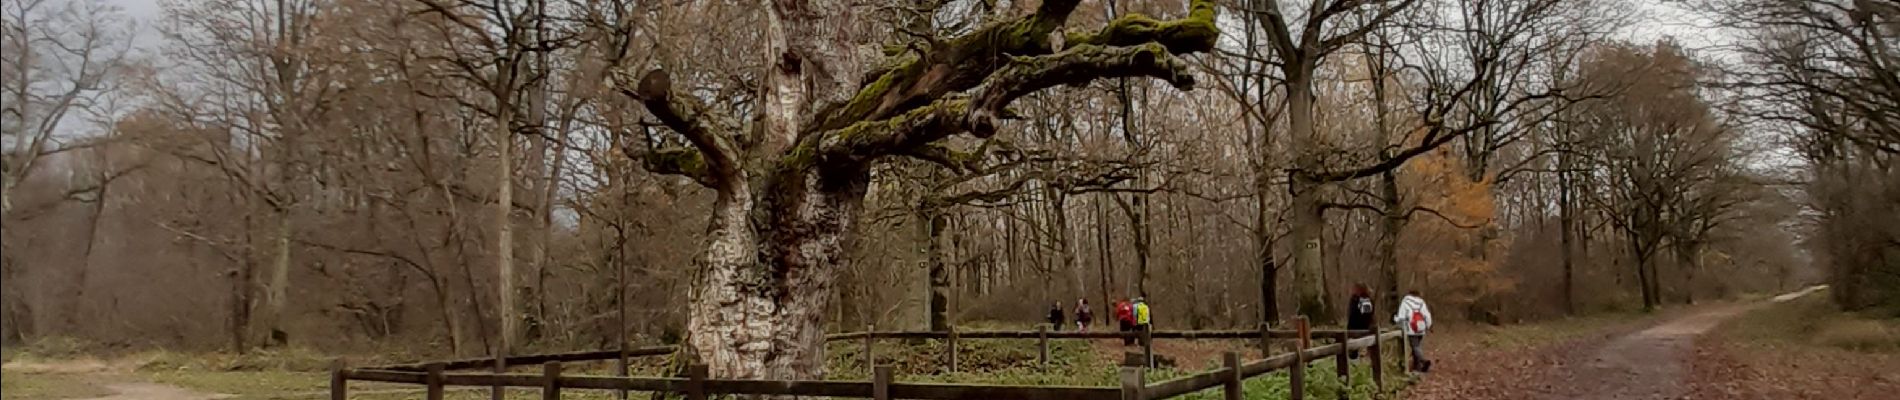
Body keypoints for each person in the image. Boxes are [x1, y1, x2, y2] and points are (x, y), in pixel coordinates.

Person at [1393, 290, 1434, 373]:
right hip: (1421, 328)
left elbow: (1401, 316)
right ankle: (1417, 366)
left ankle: (1423, 361)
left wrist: (1395, 319)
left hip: (1410, 328)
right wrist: (1429, 325)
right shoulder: (1421, 302)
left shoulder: (1405, 302)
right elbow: (1427, 315)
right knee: (1417, 346)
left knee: (1415, 347)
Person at [1346, 284, 1375, 359]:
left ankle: (1353, 355)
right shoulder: (1370, 300)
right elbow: (1370, 314)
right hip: (1367, 327)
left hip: (1355, 326)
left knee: (1353, 344)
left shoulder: (1355, 300)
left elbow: (1352, 314)